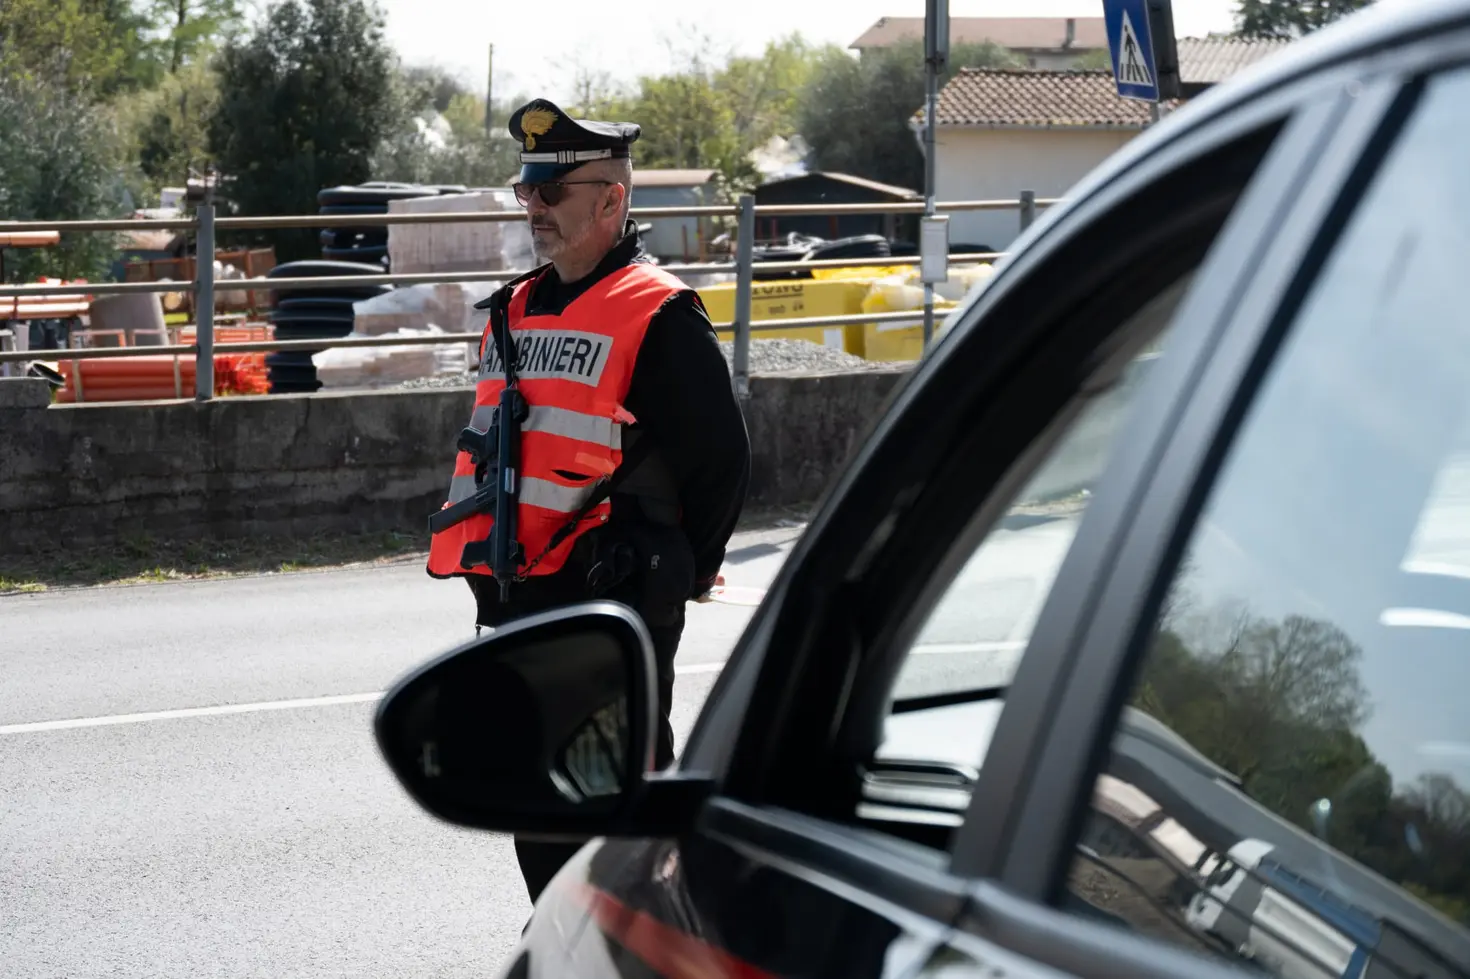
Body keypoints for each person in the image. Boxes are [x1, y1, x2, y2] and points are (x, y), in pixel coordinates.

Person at [425, 98, 751, 904]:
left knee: (618, 813)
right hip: (518, 597)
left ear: (611, 199)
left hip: (614, 596)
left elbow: (721, 464)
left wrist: (681, 573)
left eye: (551, 193)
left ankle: (651, 949)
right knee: (537, 808)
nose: (532, 207)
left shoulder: (661, 314)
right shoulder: (514, 309)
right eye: (525, 191)